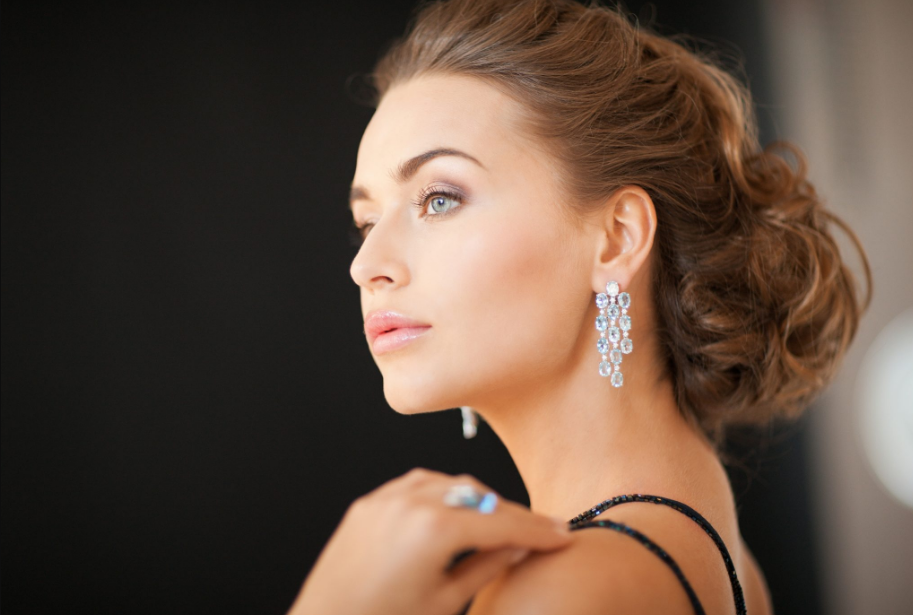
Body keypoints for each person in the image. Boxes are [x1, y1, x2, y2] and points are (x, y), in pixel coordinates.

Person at [288, 0, 872, 613]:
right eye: (366, 220)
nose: (366, 265)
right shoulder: (710, 550)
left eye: (438, 199)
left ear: (617, 237)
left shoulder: (563, 591)